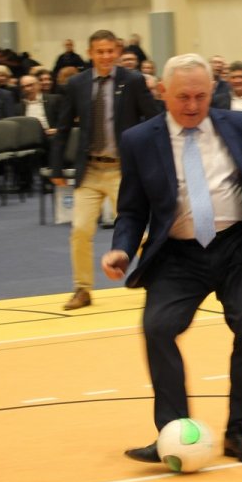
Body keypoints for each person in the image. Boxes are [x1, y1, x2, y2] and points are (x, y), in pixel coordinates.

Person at [103, 54, 242, 467]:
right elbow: (132, 209)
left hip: (239, 246)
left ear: (212, 91)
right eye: (183, 97)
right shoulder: (139, 140)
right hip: (178, 254)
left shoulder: (239, 125)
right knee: (158, 328)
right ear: (162, 92)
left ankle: (240, 434)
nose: (192, 105)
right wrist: (122, 249)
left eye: (201, 96)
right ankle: (173, 433)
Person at [51, 29, 158, 310]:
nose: (106, 56)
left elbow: (154, 118)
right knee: (79, 230)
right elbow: (63, 128)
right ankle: (82, 289)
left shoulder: (132, 81)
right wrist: (56, 167)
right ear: (90, 54)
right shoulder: (76, 84)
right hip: (89, 170)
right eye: (100, 51)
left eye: (110, 51)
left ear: (118, 52)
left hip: (123, 169)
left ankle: (156, 278)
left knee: (136, 231)